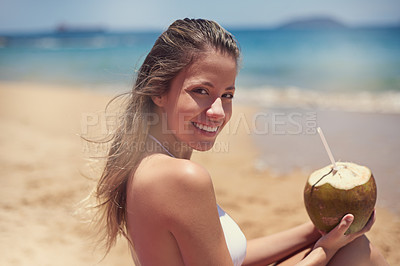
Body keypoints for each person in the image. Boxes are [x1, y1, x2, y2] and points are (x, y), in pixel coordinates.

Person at [90, 18, 388, 265]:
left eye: (228, 95)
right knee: (359, 253)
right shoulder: (180, 177)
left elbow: (228, 258)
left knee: (355, 246)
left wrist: (319, 232)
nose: (218, 111)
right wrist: (326, 251)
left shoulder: (148, 164)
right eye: (201, 91)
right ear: (158, 90)